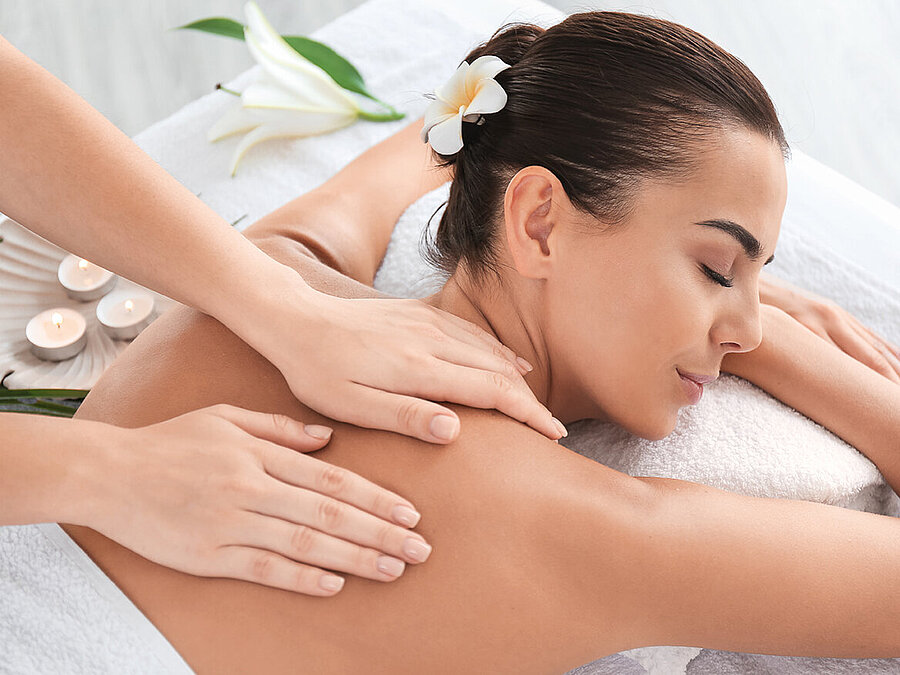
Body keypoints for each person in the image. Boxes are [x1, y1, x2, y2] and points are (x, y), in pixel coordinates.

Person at [58, 10, 900, 672]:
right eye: (717, 267)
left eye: (757, 283)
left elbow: (424, 142)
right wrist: (794, 351)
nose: (749, 326)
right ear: (539, 222)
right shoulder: (564, 527)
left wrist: (728, 294)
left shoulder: (269, 279)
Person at [0, 32, 570, 595]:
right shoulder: (578, 518)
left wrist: (290, 311)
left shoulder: (286, 266)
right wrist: (104, 471)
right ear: (536, 223)